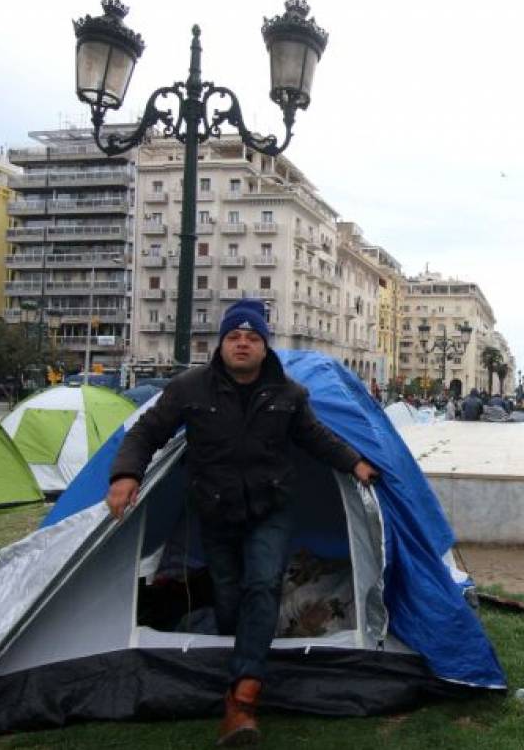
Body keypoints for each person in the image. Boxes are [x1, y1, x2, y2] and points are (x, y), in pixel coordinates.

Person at [105, 299, 378, 746]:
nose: (243, 344)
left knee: (262, 584)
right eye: (235, 337)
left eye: (252, 338)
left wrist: (355, 464)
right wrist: (125, 475)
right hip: (215, 511)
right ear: (222, 344)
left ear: (265, 346)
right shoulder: (189, 388)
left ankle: (243, 696)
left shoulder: (289, 394)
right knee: (229, 592)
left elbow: (315, 437)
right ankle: (239, 648)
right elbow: (145, 431)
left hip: (271, 508)